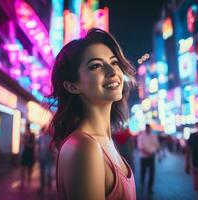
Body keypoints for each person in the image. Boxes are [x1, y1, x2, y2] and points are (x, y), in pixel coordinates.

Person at [48, 28, 136, 200]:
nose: (113, 72)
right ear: (72, 86)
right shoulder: (84, 147)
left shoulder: (103, 141)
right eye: (96, 66)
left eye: (114, 62)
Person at [137, 124, 159, 194]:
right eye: (147, 128)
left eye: (149, 129)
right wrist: (148, 153)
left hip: (151, 157)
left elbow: (157, 145)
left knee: (152, 173)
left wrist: (155, 152)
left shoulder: (153, 136)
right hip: (143, 157)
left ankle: (150, 188)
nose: (148, 130)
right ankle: (142, 184)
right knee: (143, 172)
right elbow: (140, 147)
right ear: (145, 128)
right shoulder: (141, 136)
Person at [37, 127, 54, 195]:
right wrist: (37, 154)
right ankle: (42, 186)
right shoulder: (40, 138)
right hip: (42, 157)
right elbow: (38, 147)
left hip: (49, 157)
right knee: (42, 173)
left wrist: (53, 154)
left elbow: (52, 147)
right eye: (44, 130)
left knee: (48, 172)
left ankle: (49, 183)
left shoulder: (50, 137)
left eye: (46, 130)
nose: (45, 131)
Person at [20, 122, 35, 189]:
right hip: (25, 153)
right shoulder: (24, 134)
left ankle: (28, 182)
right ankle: (22, 183)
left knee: (29, 169)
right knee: (23, 168)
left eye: (27, 126)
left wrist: (27, 144)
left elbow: (33, 145)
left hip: (29, 153)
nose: (27, 128)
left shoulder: (32, 135)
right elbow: (22, 143)